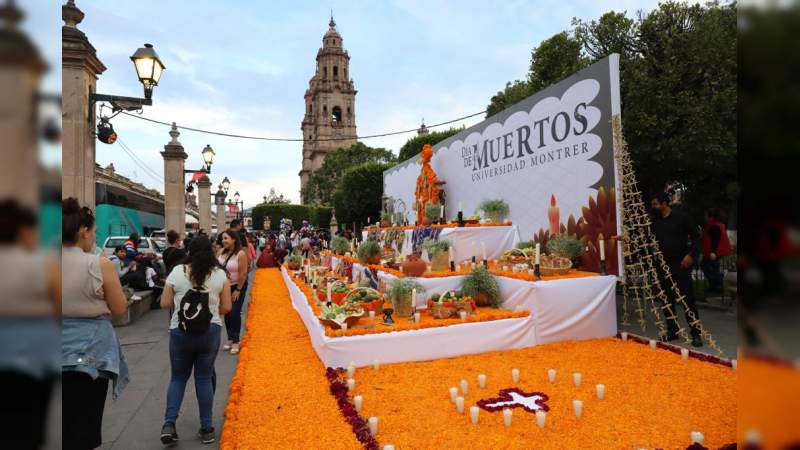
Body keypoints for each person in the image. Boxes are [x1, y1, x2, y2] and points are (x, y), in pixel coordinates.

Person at [62, 198, 129, 449]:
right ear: (83, 231)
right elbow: (120, 310)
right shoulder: (98, 264)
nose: (93, 237)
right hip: (89, 355)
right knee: (83, 429)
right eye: (93, 232)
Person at [159, 236, 231, 445]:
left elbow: (164, 303)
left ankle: (169, 424)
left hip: (180, 332)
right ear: (210, 251)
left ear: (189, 251)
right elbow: (226, 307)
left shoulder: (177, 272)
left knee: (178, 378)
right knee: (204, 377)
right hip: (209, 332)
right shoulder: (220, 275)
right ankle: (207, 428)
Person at [0, 200, 60, 450]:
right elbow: (58, 305)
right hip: (36, 354)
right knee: (32, 422)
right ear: (24, 230)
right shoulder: (41, 262)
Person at [650, 192, 703, 347]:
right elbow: (645, 240)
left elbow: (696, 237)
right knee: (667, 300)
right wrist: (626, 238)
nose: (653, 207)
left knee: (688, 299)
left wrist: (691, 255)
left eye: (655, 204)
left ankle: (696, 333)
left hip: (681, 264)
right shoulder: (655, 221)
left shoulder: (682, 218)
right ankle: (673, 331)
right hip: (663, 265)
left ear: (665, 203)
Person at [217, 229, 248, 355]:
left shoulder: (240, 254)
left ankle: (236, 340)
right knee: (226, 312)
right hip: (224, 287)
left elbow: (243, 273)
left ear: (233, 239)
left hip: (237, 286)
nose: (223, 241)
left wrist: (238, 290)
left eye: (226, 238)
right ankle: (230, 338)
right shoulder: (220, 252)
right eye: (223, 239)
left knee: (234, 312)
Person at [701, 208, 732, 293]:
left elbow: (716, 240)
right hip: (714, 252)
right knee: (713, 268)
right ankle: (714, 287)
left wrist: (713, 252)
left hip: (714, 252)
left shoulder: (714, 226)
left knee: (706, 266)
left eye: (706, 216)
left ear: (711, 217)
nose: (704, 217)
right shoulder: (714, 225)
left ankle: (719, 282)